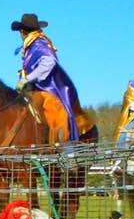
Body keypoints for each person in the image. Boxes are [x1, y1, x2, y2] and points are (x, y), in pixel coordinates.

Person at [11, 13, 97, 142]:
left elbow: (49, 62)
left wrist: (28, 79)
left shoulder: (38, 43)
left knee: (55, 113)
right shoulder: (32, 44)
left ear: (22, 31)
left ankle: (65, 147)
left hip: (51, 88)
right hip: (37, 87)